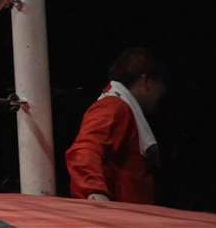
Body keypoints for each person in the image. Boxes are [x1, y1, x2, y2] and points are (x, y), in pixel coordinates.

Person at [66, 47, 166, 204]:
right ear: (146, 81)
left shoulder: (120, 107)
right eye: (161, 83)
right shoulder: (113, 106)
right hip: (121, 214)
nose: (163, 91)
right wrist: (93, 191)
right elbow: (84, 149)